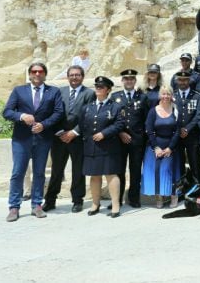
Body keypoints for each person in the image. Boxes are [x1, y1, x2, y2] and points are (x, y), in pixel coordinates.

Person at [3, 62, 65, 222]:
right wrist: (21, 116)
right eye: (34, 71)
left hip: (43, 139)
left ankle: (37, 205)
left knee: (39, 173)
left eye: (40, 71)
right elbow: (7, 111)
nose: (37, 74)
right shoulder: (19, 90)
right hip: (21, 139)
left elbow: (59, 112)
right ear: (30, 74)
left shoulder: (54, 91)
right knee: (17, 173)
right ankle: (14, 207)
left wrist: (44, 125)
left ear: (45, 74)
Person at [43, 65, 95, 213]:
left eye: (77, 75)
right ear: (67, 77)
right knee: (56, 171)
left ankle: (77, 200)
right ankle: (50, 200)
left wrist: (74, 132)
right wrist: (59, 132)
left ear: (82, 77)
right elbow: (54, 112)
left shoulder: (89, 93)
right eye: (71, 75)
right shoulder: (60, 92)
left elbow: (88, 117)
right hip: (59, 138)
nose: (74, 77)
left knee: (78, 170)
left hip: (78, 138)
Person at [81, 76, 125, 218]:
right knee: (94, 176)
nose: (98, 89)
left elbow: (119, 124)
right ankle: (95, 204)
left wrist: (104, 133)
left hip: (108, 147)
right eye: (97, 87)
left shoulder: (115, 107)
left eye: (101, 87)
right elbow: (83, 124)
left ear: (108, 90)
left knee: (111, 175)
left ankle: (116, 205)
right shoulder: (88, 107)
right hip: (91, 146)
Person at [111, 69, 150, 208]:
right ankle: (118, 199)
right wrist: (121, 132)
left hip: (137, 140)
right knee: (119, 170)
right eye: (126, 79)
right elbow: (112, 119)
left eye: (131, 79)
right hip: (119, 140)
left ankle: (134, 198)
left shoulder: (143, 97)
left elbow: (147, 119)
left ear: (135, 81)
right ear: (122, 81)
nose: (129, 81)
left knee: (135, 171)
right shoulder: (115, 96)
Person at [142, 86, 181, 208]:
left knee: (170, 171)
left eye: (168, 94)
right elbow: (149, 130)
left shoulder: (175, 109)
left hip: (171, 145)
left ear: (171, 95)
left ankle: (174, 196)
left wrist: (170, 148)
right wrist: (156, 147)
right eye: (163, 94)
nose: (165, 96)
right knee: (155, 171)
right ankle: (159, 197)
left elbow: (178, 130)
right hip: (155, 145)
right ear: (160, 95)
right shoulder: (153, 111)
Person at [173, 71, 200, 185]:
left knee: (194, 162)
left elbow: (199, 115)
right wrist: (179, 129)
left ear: (189, 81)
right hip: (176, 135)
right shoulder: (172, 96)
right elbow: (170, 114)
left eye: (185, 80)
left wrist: (187, 129)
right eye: (180, 80)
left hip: (192, 135)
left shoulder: (197, 96)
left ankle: (197, 188)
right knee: (179, 163)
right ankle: (180, 189)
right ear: (177, 81)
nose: (183, 82)